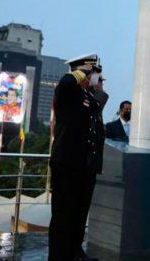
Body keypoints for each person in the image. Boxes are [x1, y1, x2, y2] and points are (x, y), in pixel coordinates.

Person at [49, 54, 108, 261]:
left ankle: (75, 253)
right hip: (67, 162)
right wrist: (80, 72)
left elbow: (98, 107)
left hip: (85, 165)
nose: (96, 76)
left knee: (79, 214)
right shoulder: (68, 89)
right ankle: (59, 256)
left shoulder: (87, 95)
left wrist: (96, 86)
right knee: (63, 215)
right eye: (93, 71)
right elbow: (66, 82)